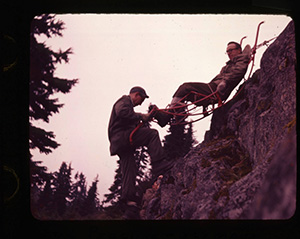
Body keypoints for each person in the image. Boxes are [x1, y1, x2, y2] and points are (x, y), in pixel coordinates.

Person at [108, 86, 173, 219]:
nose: (141, 103)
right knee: (152, 134)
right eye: (141, 99)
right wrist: (142, 116)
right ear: (136, 95)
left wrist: (141, 120)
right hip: (122, 137)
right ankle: (159, 164)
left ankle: (130, 204)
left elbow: (126, 119)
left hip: (118, 142)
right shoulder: (124, 101)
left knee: (129, 169)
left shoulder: (127, 106)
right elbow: (121, 112)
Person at [154, 41, 253, 127]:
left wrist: (224, 82)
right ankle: (168, 116)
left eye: (231, 50)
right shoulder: (228, 65)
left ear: (239, 50)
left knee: (185, 87)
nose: (229, 53)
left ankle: (169, 114)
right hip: (213, 87)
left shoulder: (241, 60)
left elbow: (238, 72)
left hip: (218, 89)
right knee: (187, 93)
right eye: (227, 51)